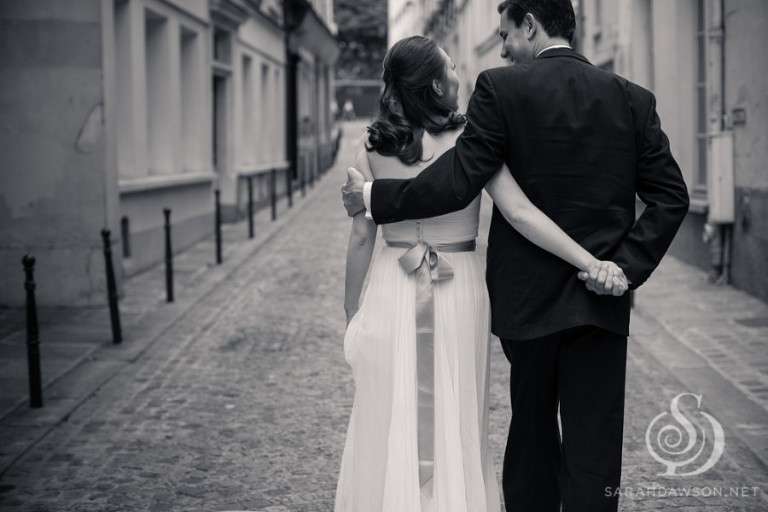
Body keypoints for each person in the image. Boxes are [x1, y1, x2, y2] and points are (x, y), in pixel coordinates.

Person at [341, 1, 690, 511]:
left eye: (505, 34)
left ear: (531, 24)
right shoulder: (632, 99)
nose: (500, 48)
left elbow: (460, 183)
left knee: (531, 434)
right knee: (595, 441)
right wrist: (620, 269)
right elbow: (672, 196)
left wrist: (375, 197)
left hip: (526, 299)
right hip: (602, 302)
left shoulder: (500, 90)